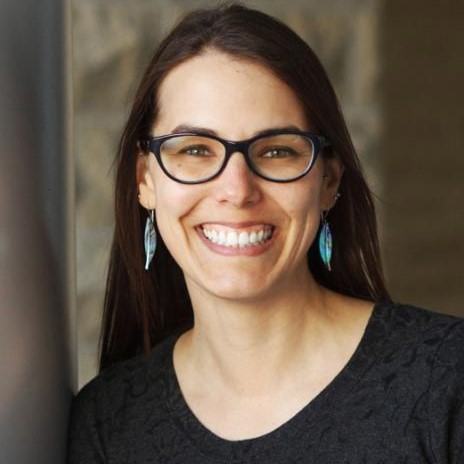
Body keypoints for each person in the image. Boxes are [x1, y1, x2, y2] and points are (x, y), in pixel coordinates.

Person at [68, 4, 464, 463]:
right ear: (145, 180)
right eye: (195, 149)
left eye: (276, 151)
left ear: (329, 181)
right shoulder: (108, 421)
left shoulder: (446, 381)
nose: (236, 190)